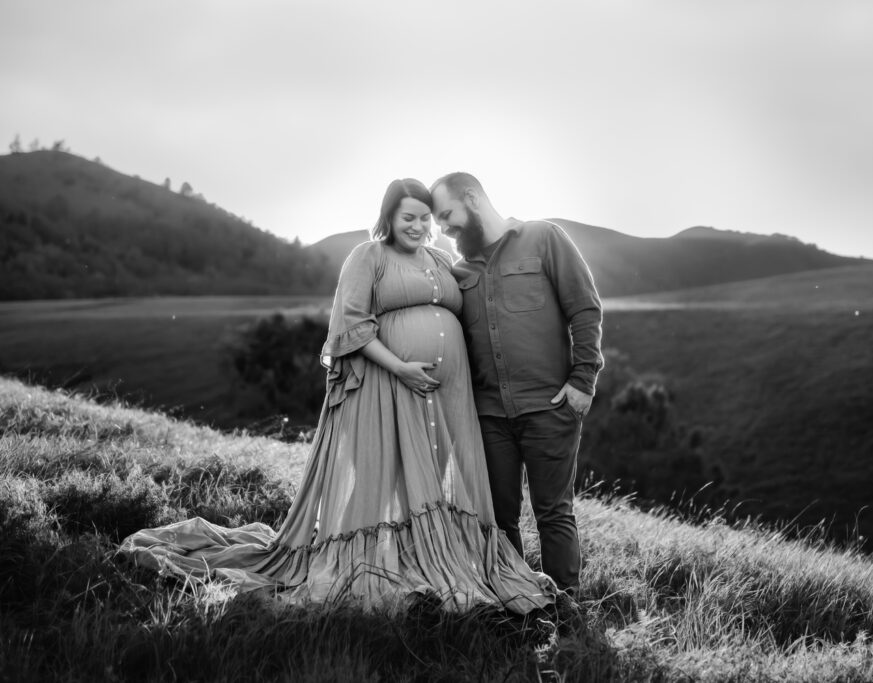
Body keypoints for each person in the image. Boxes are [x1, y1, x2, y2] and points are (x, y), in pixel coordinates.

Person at [119, 178, 556, 613]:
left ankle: (432, 553)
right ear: (389, 217)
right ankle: (379, 562)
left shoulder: (442, 260)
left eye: (426, 218)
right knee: (384, 475)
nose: (419, 226)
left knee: (433, 482)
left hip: (447, 396)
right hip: (390, 385)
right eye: (409, 217)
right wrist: (400, 366)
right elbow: (350, 323)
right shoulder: (369, 256)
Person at [430, 172, 603, 594]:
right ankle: (517, 602)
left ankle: (566, 609)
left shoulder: (545, 238)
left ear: (472, 198)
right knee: (499, 518)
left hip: (550, 407)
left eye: (447, 215)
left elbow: (585, 308)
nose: (443, 228)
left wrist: (583, 381)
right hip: (488, 417)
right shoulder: (458, 271)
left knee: (554, 513)